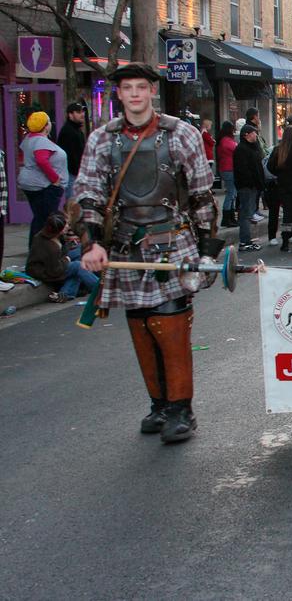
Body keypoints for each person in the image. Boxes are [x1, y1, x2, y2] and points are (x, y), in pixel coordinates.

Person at [74, 62, 223, 443]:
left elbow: (203, 197)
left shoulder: (181, 134)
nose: (136, 94)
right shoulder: (101, 140)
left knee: (170, 323)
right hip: (126, 243)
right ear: (119, 95)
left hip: (171, 241)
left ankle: (181, 409)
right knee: (140, 324)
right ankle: (158, 404)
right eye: (128, 88)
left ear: (152, 91)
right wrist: (91, 244)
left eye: (142, 87)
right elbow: (88, 193)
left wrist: (206, 252)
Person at [18, 111, 69, 248]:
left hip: (33, 184)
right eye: (49, 122)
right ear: (46, 126)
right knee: (46, 220)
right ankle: (43, 251)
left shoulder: (30, 138)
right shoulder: (40, 142)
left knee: (39, 218)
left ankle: (35, 249)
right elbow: (41, 160)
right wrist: (55, 179)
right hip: (44, 186)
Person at [26, 210, 98, 303]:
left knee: (81, 251)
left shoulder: (52, 235)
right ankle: (99, 288)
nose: (67, 227)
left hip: (55, 262)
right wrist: (66, 259)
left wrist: (68, 246)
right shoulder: (50, 247)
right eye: (65, 226)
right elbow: (56, 271)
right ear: (58, 230)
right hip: (45, 271)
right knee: (78, 266)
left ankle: (66, 293)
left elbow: (61, 253)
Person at [233, 123, 265, 251]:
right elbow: (243, 170)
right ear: (246, 135)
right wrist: (252, 182)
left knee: (249, 213)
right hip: (247, 186)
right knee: (246, 214)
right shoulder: (241, 149)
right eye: (253, 133)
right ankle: (244, 241)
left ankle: (249, 240)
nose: (255, 135)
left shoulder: (252, 148)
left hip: (253, 186)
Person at [57, 102, 87, 199]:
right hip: (71, 175)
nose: (82, 114)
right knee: (73, 206)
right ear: (70, 115)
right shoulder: (68, 131)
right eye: (78, 112)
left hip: (76, 174)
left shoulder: (77, 131)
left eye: (83, 111)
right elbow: (71, 155)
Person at [216, 121, 237, 227]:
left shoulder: (222, 140)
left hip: (226, 168)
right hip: (229, 169)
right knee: (231, 193)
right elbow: (236, 149)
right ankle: (227, 218)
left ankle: (231, 217)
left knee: (232, 193)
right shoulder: (226, 141)